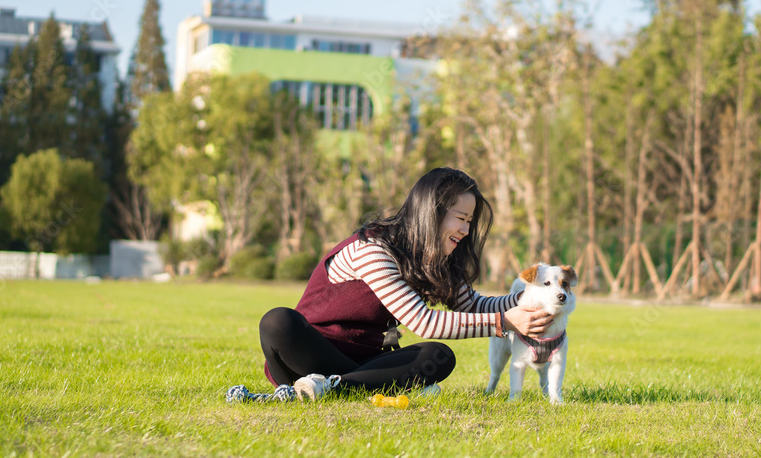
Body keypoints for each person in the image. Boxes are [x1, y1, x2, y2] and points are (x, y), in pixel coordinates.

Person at [226, 167, 554, 403]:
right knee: (277, 321)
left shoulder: (434, 256)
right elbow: (423, 321)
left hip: (369, 364)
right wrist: (504, 323)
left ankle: (331, 388)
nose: (467, 231)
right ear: (433, 213)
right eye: (462, 218)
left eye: (470, 222)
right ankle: (342, 385)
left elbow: (472, 304)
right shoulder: (373, 248)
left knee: (439, 356)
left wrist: (530, 299)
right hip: (311, 354)